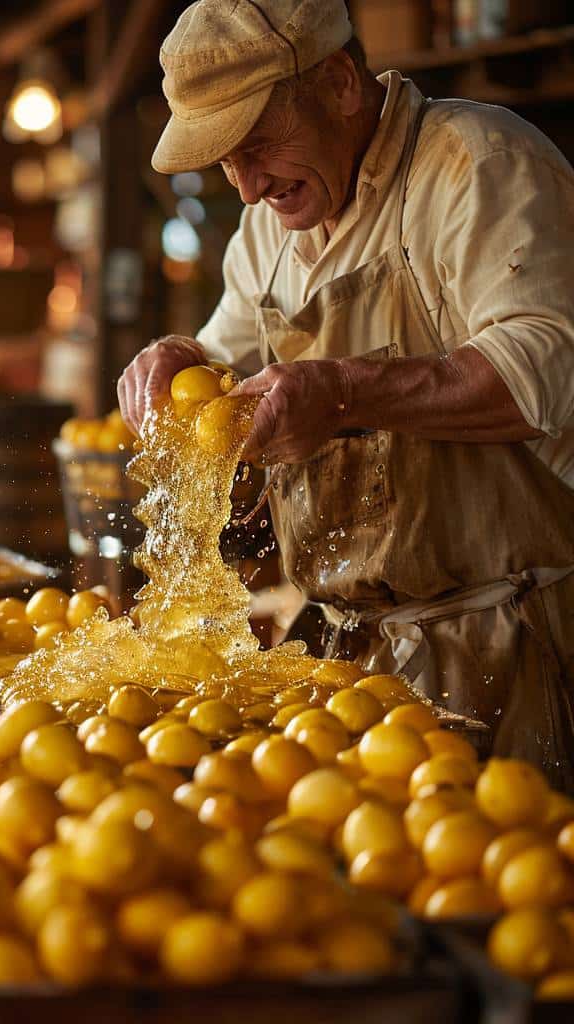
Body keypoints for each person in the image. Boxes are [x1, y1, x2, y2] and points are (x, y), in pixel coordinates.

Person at [118, 0, 574, 787]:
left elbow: (550, 365)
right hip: (356, 658)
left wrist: (343, 393)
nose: (248, 184)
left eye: (257, 144)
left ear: (336, 82)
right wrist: (175, 356)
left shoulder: (477, 162)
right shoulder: (274, 222)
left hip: (514, 639)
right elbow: (223, 361)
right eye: (225, 161)